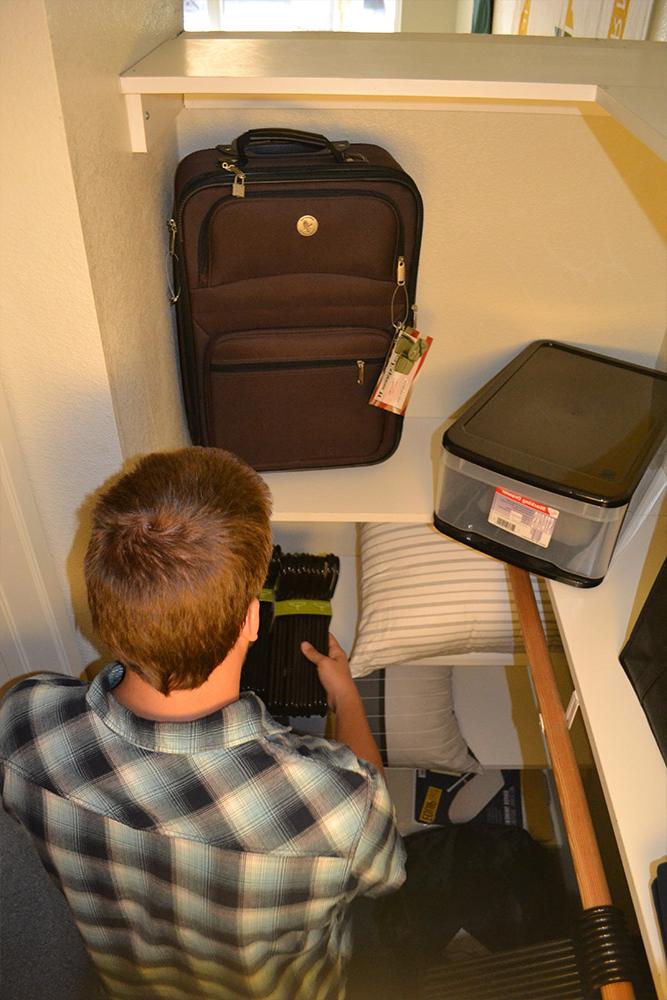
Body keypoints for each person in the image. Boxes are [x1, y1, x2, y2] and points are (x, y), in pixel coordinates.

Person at [0, 447, 405, 1000]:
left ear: (103, 611)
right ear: (252, 619)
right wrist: (348, 702)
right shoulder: (340, 805)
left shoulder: (23, 723)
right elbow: (388, 874)